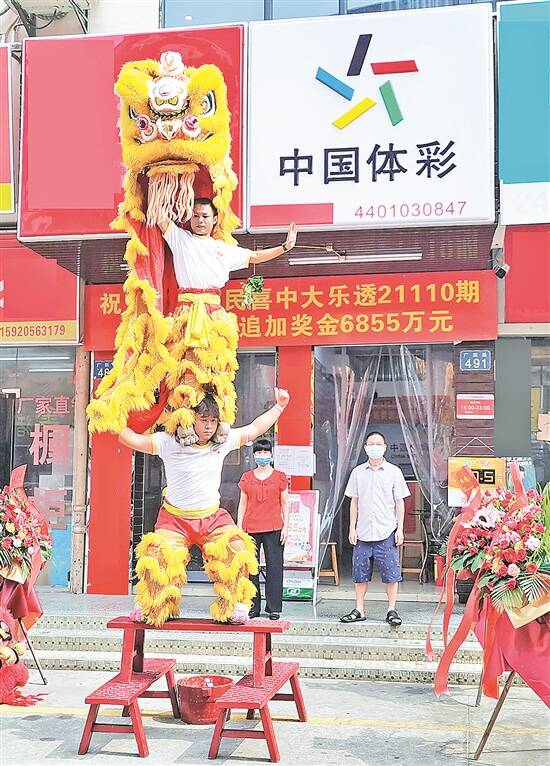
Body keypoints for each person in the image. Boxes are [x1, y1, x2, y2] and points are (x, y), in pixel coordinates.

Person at [118, 387, 290, 627]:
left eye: (213, 421)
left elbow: (255, 428)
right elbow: (132, 440)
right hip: (174, 520)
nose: (209, 426)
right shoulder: (169, 442)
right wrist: (113, 415)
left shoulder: (223, 442)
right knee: (157, 557)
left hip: (212, 518)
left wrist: (279, 407)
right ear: (191, 419)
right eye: (203, 420)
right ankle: (153, 606)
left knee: (237, 549)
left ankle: (233, 607)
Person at [340, 431, 410, 627]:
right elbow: (354, 502)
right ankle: (359, 609)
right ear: (365, 448)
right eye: (371, 444)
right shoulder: (357, 472)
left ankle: (391, 609)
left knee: (391, 573)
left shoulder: (394, 472)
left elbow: (400, 502)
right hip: (363, 532)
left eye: (379, 444)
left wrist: (400, 529)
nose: (375, 447)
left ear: (385, 447)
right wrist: (352, 528)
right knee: (359, 573)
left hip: (386, 531)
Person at [237, 438, 289, 620]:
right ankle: (253, 606)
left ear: (271, 454)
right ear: (254, 456)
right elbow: (242, 504)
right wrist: (239, 527)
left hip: (274, 527)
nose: (262, 455)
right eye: (259, 452)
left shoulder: (280, 476)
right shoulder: (246, 477)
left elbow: (285, 503)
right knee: (251, 569)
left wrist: (286, 527)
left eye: (266, 452)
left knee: (275, 568)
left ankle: (274, 607)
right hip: (250, 528)